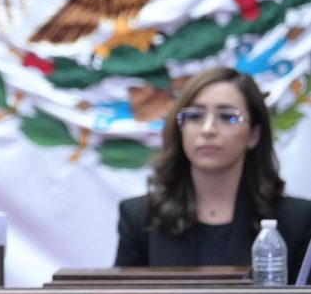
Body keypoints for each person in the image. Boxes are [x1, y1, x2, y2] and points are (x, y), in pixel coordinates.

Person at [114, 66, 311, 281]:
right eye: (194, 116)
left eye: (228, 117)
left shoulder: (297, 219)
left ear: (253, 135)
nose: (208, 129)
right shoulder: (139, 217)